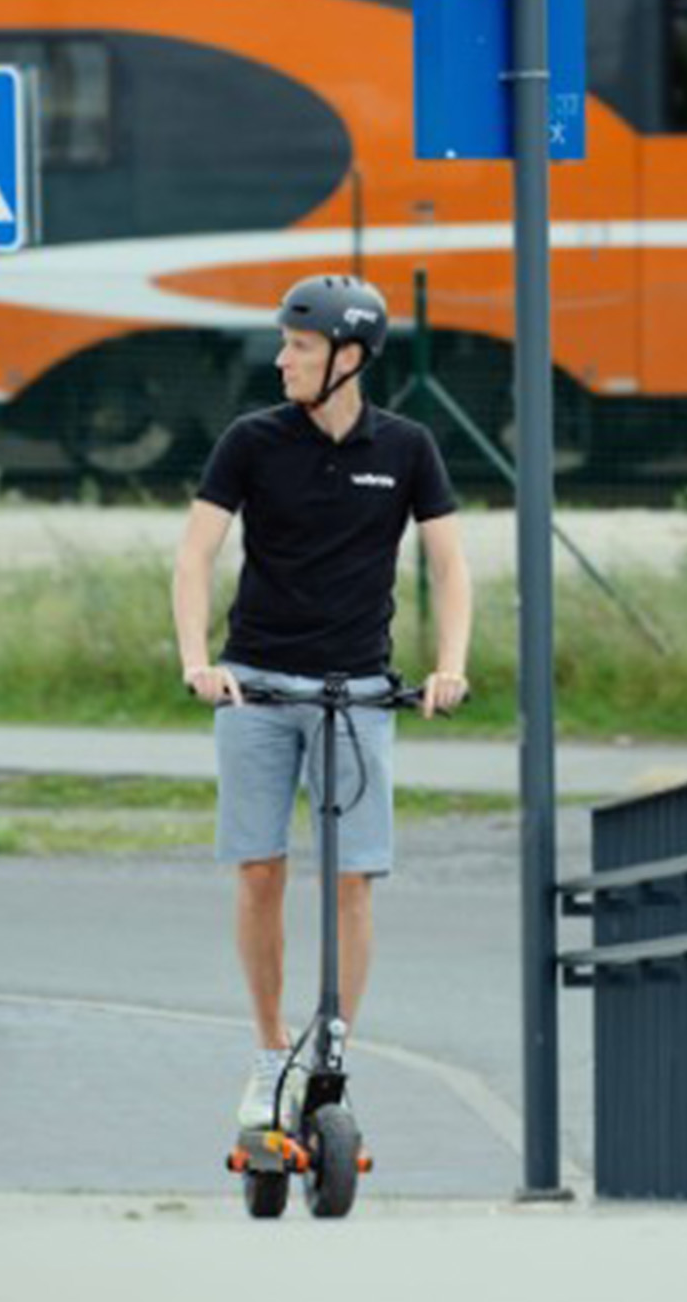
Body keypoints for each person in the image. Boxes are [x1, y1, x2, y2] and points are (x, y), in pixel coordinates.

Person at [170, 274, 473, 1140]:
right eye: (285, 344)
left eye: (298, 347)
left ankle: (331, 1051)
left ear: (348, 358)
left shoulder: (407, 448)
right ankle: (271, 1053)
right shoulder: (250, 442)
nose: (282, 361)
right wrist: (199, 663)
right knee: (261, 870)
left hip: (359, 694)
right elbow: (195, 556)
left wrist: (448, 667)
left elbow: (450, 565)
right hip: (257, 685)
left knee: (353, 879)